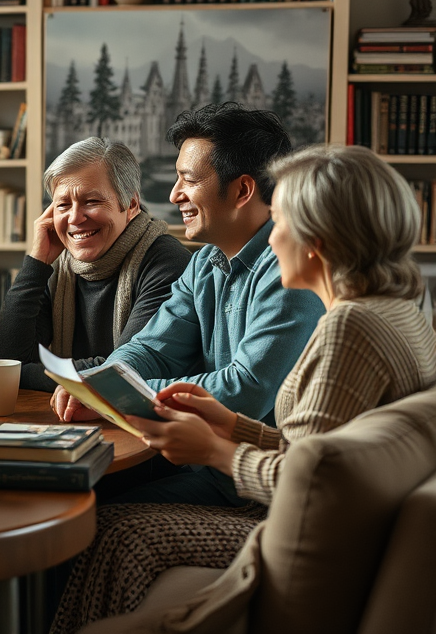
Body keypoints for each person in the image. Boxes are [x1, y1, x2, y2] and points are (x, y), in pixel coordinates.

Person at [50, 144, 436, 632]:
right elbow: (320, 455)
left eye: (281, 219)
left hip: (282, 524)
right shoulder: (401, 311)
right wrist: (233, 424)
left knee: (108, 527)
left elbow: (309, 485)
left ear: (318, 237)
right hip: (322, 516)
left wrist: (216, 450)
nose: (273, 239)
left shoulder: (350, 328)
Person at [53, 103, 327, 507]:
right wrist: (108, 379)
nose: (173, 194)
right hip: (197, 466)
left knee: (97, 513)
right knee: (72, 497)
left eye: (188, 180)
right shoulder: (203, 263)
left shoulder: (291, 268)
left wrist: (120, 393)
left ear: (242, 190)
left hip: (254, 486)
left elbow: (246, 390)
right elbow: (150, 349)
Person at [0, 137, 190, 391]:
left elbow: (123, 371)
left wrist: (23, 374)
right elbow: (1, 359)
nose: (74, 218)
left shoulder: (168, 263)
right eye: (62, 205)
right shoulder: (58, 267)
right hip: (69, 415)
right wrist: (36, 263)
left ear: (131, 205)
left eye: (92, 202)